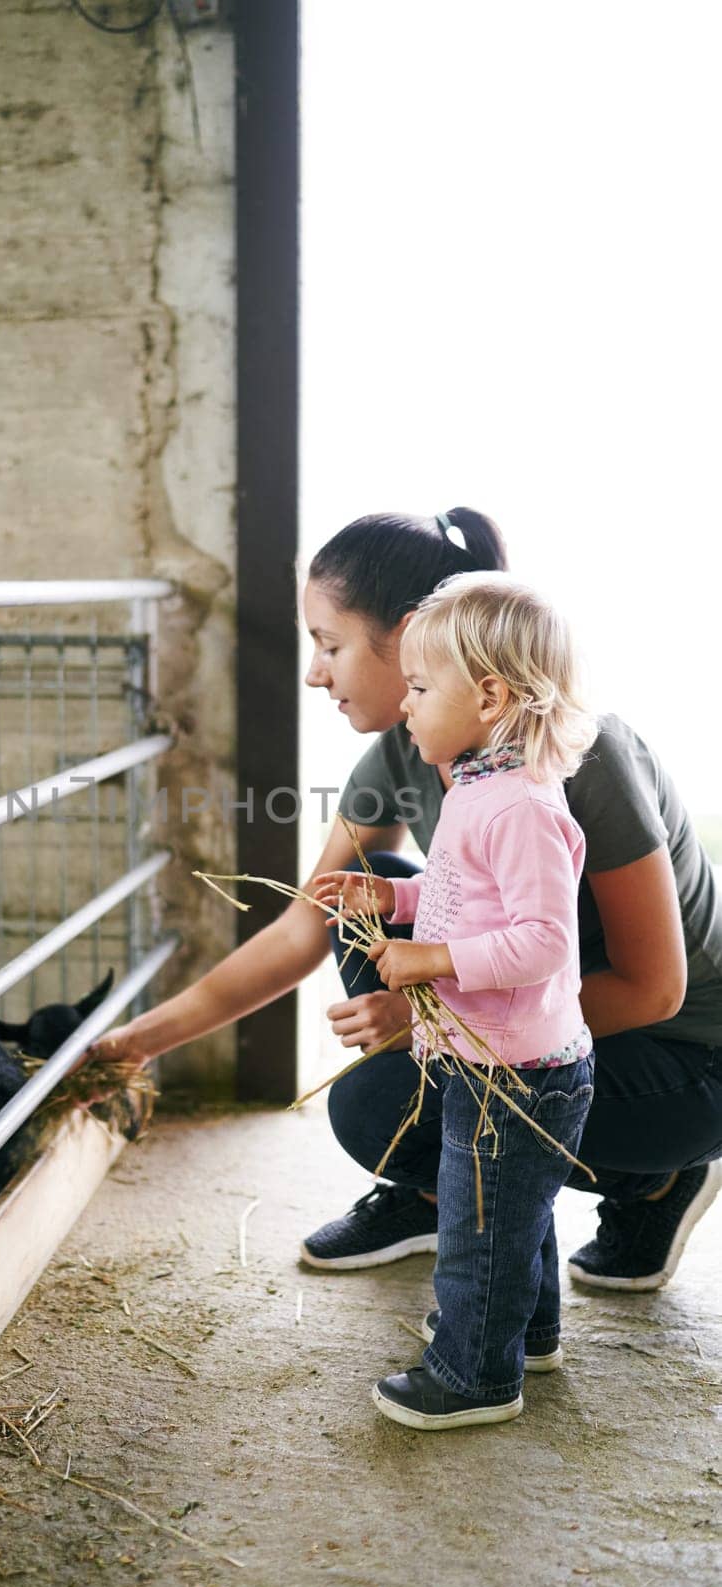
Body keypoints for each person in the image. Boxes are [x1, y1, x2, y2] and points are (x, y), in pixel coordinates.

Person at [86, 508, 722, 1314]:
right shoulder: (398, 753)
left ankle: (654, 1178)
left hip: (683, 1064)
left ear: (417, 633)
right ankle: (440, 1195)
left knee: (379, 1107)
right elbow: (301, 924)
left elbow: (652, 991)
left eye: (329, 643)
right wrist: (129, 1047)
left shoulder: (583, 757)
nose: (315, 673)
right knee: (373, 887)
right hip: (542, 1031)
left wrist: (430, 1022)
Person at [311, 571, 596, 1428]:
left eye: (422, 689)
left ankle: (474, 1376)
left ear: (489, 695)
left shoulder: (519, 807)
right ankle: (525, 1335)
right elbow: (457, 892)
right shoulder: (477, 789)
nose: (405, 706)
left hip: (518, 1068)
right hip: (494, 1060)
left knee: (481, 1229)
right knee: (515, 1213)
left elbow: (543, 939)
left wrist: (429, 956)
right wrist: (390, 903)